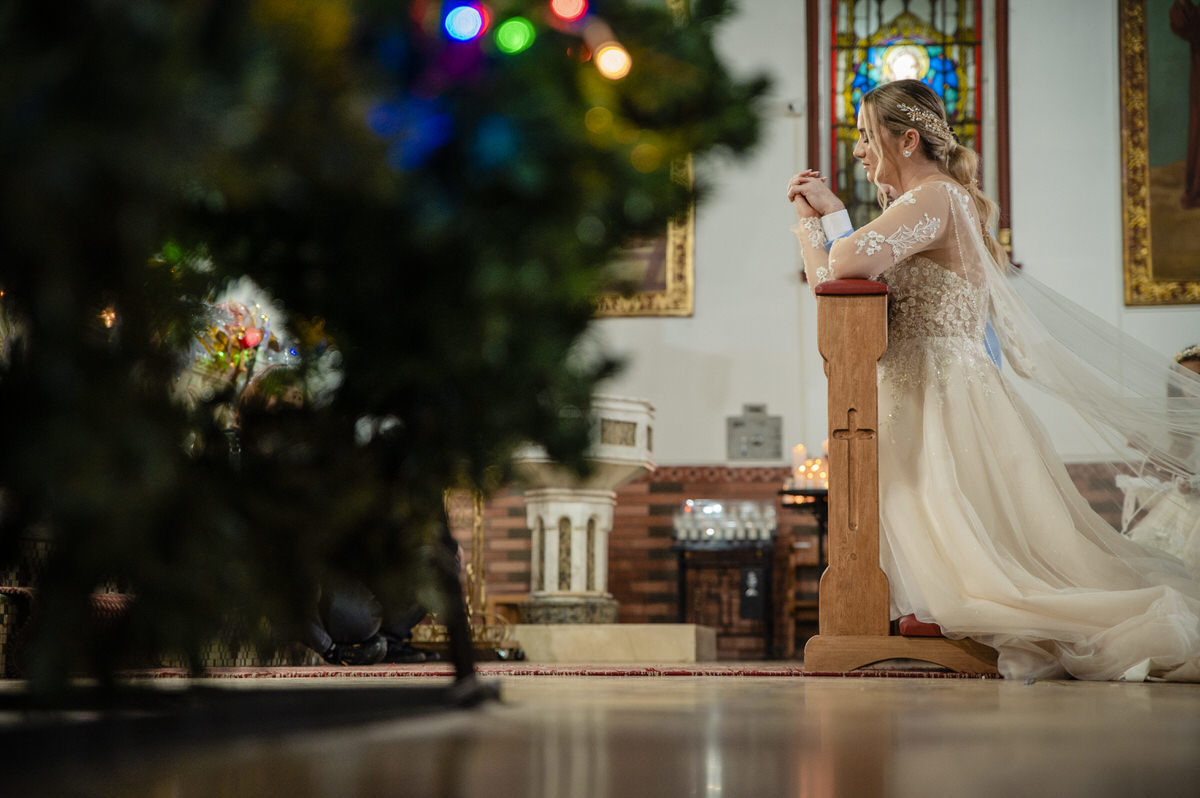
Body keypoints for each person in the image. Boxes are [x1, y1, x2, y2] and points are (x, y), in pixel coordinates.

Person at [785, 78, 1200, 681]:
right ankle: (927, 611)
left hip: (942, 392)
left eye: (864, 136)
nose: (857, 152)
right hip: (918, 387)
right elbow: (829, 282)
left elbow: (844, 261)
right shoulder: (925, 202)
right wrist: (811, 224)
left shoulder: (935, 198)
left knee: (962, 534)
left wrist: (832, 216)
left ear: (906, 140)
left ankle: (948, 613)